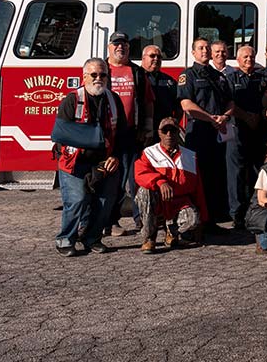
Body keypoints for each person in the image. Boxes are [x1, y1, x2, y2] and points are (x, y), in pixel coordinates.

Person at [52, 58, 126, 256]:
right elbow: (60, 134)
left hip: (105, 161)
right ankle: (65, 239)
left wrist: (116, 157)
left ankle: (91, 238)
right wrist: (87, 140)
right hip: (74, 161)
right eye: (93, 75)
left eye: (103, 75)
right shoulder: (72, 100)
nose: (98, 78)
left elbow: (123, 134)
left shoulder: (114, 99)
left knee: (105, 202)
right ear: (84, 77)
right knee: (77, 200)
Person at [178, 37, 234, 226]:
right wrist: (211, 118)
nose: (204, 51)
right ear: (193, 52)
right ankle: (195, 222)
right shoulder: (188, 75)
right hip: (198, 132)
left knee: (216, 176)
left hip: (218, 132)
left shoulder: (219, 76)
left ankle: (212, 220)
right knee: (197, 177)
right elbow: (186, 104)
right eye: (200, 48)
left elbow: (230, 101)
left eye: (207, 48)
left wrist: (225, 116)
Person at [133, 118, 208, 253]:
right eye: (165, 131)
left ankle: (172, 232)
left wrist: (202, 219)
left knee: (193, 219)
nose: (169, 134)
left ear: (178, 132)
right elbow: (140, 174)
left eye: (172, 131)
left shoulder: (190, 156)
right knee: (144, 192)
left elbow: (198, 189)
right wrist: (160, 182)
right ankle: (149, 238)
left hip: (178, 202)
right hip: (157, 200)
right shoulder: (149, 152)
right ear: (159, 133)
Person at [106, 31, 153, 236]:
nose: (120, 47)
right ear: (109, 47)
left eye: (124, 44)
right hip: (107, 137)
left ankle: (140, 219)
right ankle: (110, 222)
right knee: (111, 181)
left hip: (132, 134)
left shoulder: (136, 72)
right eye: (116, 44)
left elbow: (148, 102)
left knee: (135, 180)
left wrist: (148, 128)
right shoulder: (102, 70)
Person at [225, 45, 267, 229]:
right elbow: (228, 103)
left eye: (251, 56)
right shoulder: (231, 79)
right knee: (236, 175)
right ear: (237, 59)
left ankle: (255, 211)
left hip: (258, 131)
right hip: (237, 131)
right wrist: (246, 116)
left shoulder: (263, 78)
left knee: (257, 173)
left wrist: (258, 116)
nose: (249, 59)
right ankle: (237, 215)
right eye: (245, 57)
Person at [141, 45, 179, 146]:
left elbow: (179, 104)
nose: (156, 59)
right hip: (142, 130)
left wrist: (175, 123)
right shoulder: (137, 77)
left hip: (165, 130)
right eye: (152, 56)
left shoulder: (169, 81)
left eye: (159, 57)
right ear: (143, 58)